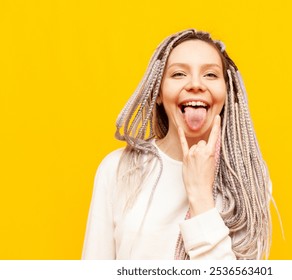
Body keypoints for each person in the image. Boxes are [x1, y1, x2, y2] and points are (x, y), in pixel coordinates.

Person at [82, 29, 272, 260]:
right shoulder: (117, 169)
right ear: (159, 92)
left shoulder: (248, 180)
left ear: (227, 91)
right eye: (179, 74)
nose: (195, 84)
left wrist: (201, 194)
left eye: (210, 75)